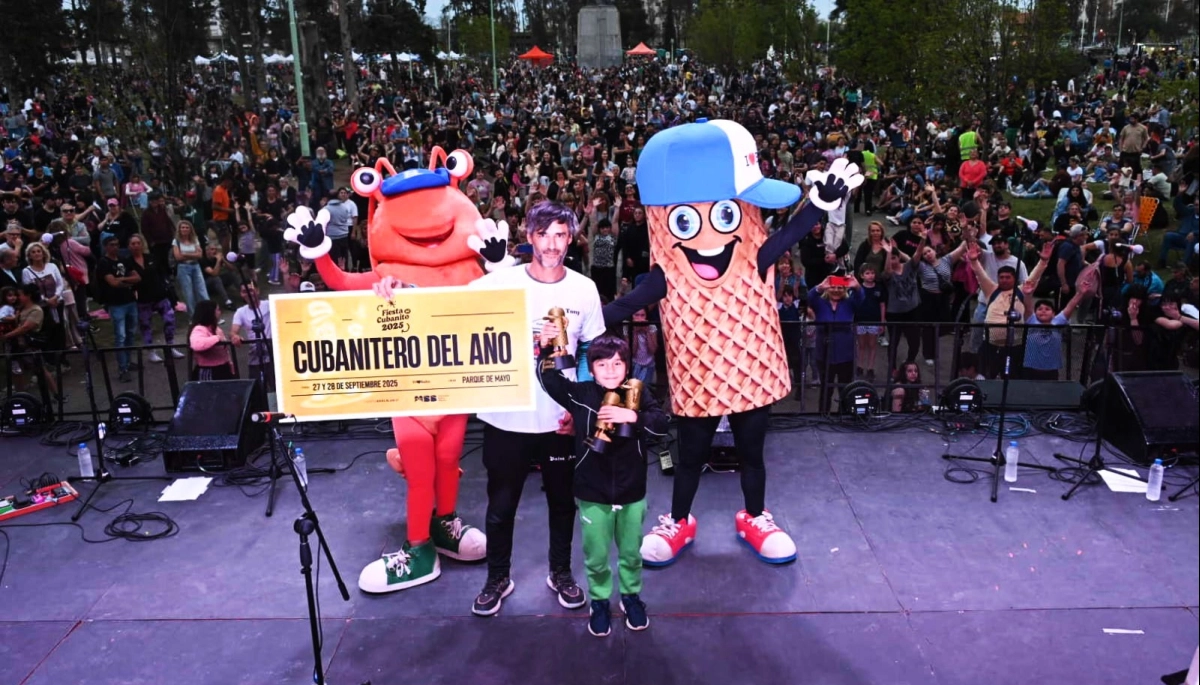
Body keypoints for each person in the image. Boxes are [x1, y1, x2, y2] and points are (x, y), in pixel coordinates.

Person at [469, 201, 606, 617]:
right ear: (529, 237)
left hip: (558, 421)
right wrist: (395, 286)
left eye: (560, 235)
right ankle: (497, 577)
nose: (552, 244)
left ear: (571, 238)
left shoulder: (584, 289)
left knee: (563, 504)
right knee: (501, 506)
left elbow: (591, 353)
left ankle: (560, 573)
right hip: (505, 417)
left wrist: (580, 409)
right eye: (543, 234)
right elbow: (441, 306)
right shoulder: (499, 283)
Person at [537, 333, 669, 637]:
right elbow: (549, 380)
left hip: (632, 492)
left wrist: (631, 416)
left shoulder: (638, 393)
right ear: (592, 368)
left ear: (627, 367)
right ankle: (599, 601)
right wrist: (546, 349)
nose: (610, 370)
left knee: (631, 553)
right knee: (596, 556)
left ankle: (631, 597)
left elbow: (661, 425)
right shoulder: (581, 394)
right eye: (602, 364)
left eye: (617, 363)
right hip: (592, 493)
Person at [967, 240, 1053, 379]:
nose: (1004, 280)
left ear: (1015, 278)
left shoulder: (1022, 290)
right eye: (1001, 277)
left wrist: (1043, 261)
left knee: (1012, 380)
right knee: (985, 378)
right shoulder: (991, 290)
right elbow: (980, 274)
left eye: (1008, 277)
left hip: (1015, 347)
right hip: (990, 345)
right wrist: (974, 261)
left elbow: (1035, 277)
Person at [809, 273, 865, 413]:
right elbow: (809, 298)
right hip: (824, 352)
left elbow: (861, 298)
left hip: (845, 353)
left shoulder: (849, 303)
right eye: (833, 287)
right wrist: (820, 287)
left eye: (840, 287)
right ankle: (823, 415)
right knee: (825, 388)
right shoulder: (820, 303)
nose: (836, 290)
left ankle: (844, 415)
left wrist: (857, 287)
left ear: (845, 290)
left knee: (845, 388)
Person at [128, 233, 181, 363]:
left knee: (169, 319)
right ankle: (151, 350)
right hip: (143, 298)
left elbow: (162, 274)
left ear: (142, 244)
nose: (136, 246)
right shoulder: (127, 262)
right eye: (133, 244)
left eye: (138, 243)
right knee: (146, 325)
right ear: (129, 246)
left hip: (160, 295)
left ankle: (170, 346)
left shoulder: (151, 258)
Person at [95, 235, 141, 382]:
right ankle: (122, 368)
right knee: (120, 336)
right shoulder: (103, 263)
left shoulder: (124, 259)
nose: (115, 247)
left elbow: (137, 277)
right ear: (106, 247)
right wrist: (127, 282)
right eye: (112, 245)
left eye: (117, 244)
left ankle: (128, 361)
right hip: (116, 303)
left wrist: (122, 279)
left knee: (130, 333)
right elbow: (112, 283)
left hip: (130, 300)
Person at [230, 279, 272, 392]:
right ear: (241, 294)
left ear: (257, 290)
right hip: (255, 357)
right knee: (257, 391)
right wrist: (235, 336)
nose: (248, 294)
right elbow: (233, 331)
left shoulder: (269, 304)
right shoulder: (240, 312)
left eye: (251, 290)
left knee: (276, 389)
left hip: (273, 355)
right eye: (244, 291)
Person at [187, 300, 235, 381]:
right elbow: (197, 345)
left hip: (223, 368)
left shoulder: (216, 329)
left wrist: (230, 364)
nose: (220, 312)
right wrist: (217, 338)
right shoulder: (199, 329)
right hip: (209, 370)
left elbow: (225, 351)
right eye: (217, 310)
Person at [855, 264, 886, 381]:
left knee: (872, 345)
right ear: (862, 275)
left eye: (872, 273)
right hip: (860, 321)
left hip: (874, 321)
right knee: (861, 345)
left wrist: (882, 322)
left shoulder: (879, 288)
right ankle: (859, 366)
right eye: (867, 273)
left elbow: (882, 305)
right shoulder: (858, 289)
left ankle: (870, 368)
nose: (870, 276)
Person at [173, 220, 209, 314]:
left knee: (202, 290)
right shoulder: (176, 241)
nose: (185, 229)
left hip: (195, 266)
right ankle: (193, 316)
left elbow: (199, 255)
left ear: (190, 229)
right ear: (179, 229)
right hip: (183, 267)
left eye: (187, 227)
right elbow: (178, 257)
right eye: (183, 227)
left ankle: (209, 313)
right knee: (188, 294)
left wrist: (185, 254)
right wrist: (193, 254)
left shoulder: (195, 240)